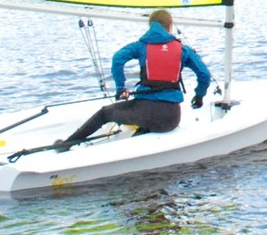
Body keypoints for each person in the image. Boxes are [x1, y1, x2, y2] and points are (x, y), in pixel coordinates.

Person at [55, 8, 214, 150]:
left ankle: (66, 145)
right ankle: (143, 136)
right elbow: (204, 75)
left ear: (150, 26)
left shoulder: (140, 46)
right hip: (171, 118)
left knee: (104, 114)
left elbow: (118, 59)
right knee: (146, 119)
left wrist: (120, 88)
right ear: (170, 26)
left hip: (143, 111)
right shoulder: (183, 49)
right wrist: (199, 96)